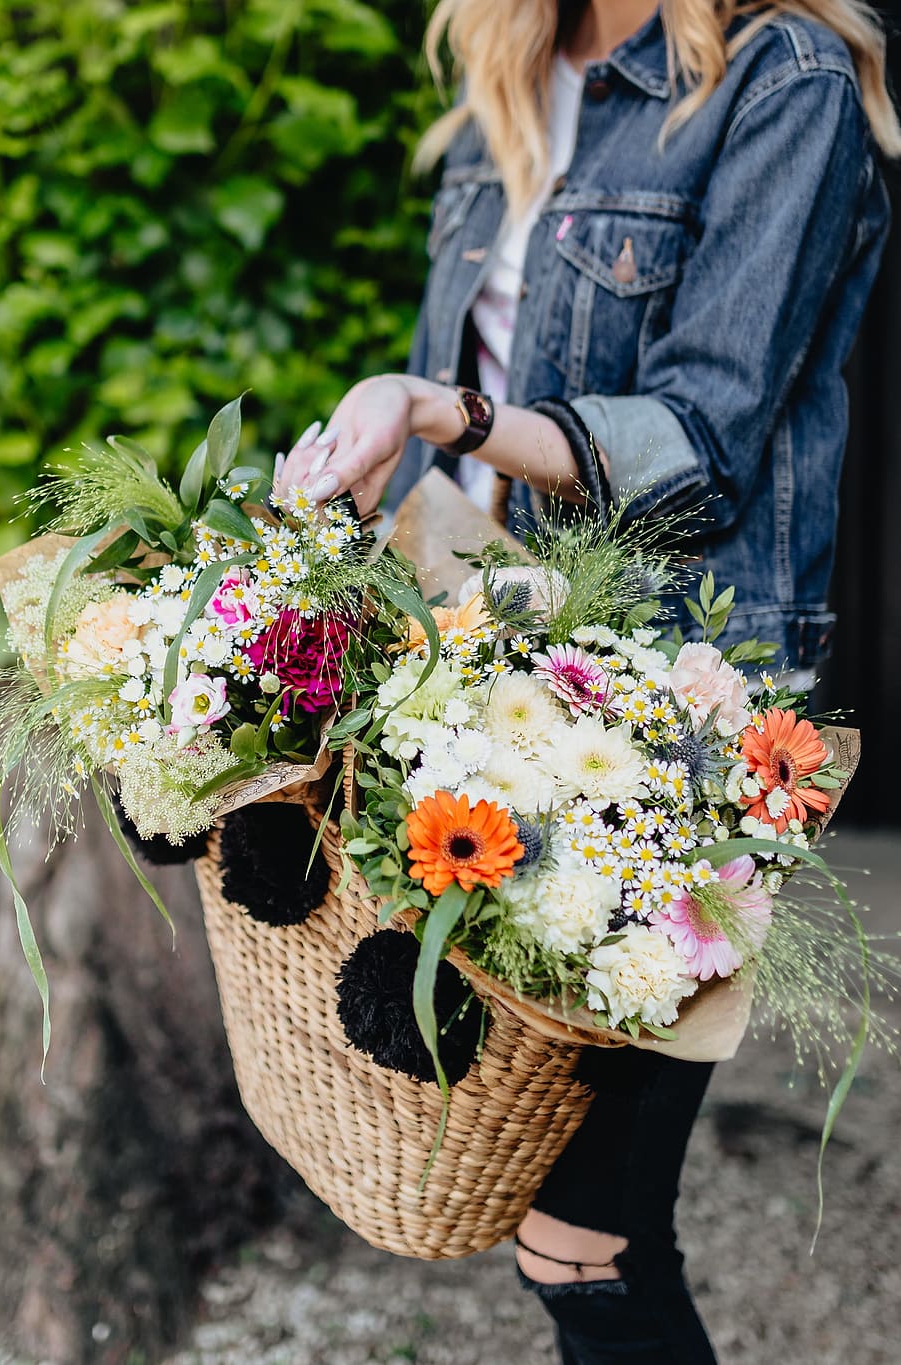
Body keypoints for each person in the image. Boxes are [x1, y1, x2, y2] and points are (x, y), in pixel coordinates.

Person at [276, 1, 898, 1359]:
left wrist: (443, 411)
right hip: (490, 676)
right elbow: (455, 396)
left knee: (585, 1243)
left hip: (681, 706)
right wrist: (370, 461)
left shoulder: (776, 77)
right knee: (552, 1226)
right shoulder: (503, 69)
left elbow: (704, 436)